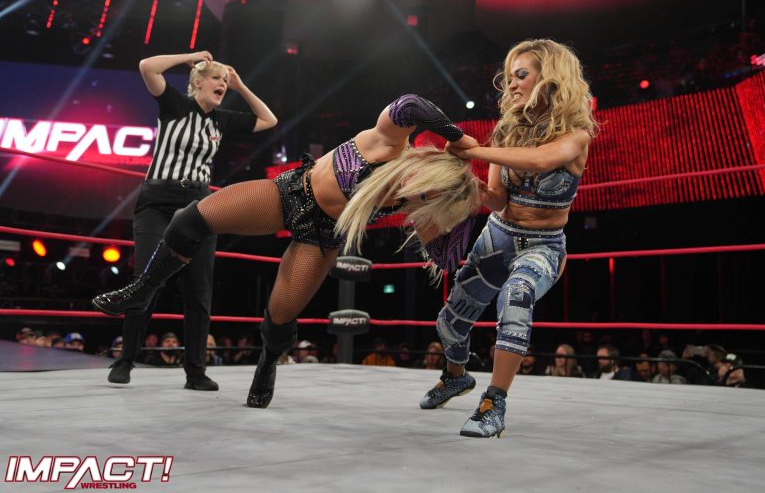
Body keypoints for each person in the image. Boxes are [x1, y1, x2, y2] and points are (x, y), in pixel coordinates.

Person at [92, 93, 481, 408]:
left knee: (280, 319)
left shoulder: (413, 201)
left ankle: (267, 363)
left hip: (320, 235)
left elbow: (445, 257)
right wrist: (458, 137)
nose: (417, 195)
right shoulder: (390, 142)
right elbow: (410, 104)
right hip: (290, 193)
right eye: (425, 188)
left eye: (426, 198)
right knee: (187, 221)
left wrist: (471, 205)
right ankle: (143, 289)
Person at [418, 39, 598, 438]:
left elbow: (541, 160)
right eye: (509, 77)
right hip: (498, 237)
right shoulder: (507, 133)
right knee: (449, 324)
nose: (511, 84)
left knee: (516, 296)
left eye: (521, 75)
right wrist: (470, 186)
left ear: (550, 80)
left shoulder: (577, 135)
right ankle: (455, 377)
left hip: (543, 245)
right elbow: (498, 198)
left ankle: (493, 403)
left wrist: (474, 151)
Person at [95, 50, 278, 389]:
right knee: (145, 280)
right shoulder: (175, 104)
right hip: (157, 201)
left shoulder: (221, 119)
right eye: (217, 78)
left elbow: (269, 120)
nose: (222, 83)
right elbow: (146, 66)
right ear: (198, 82)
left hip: (199, 206)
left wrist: (240, 85)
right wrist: (189, 57)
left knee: (199, 289)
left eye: (225, 80)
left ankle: (195, 372)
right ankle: (125, 360)